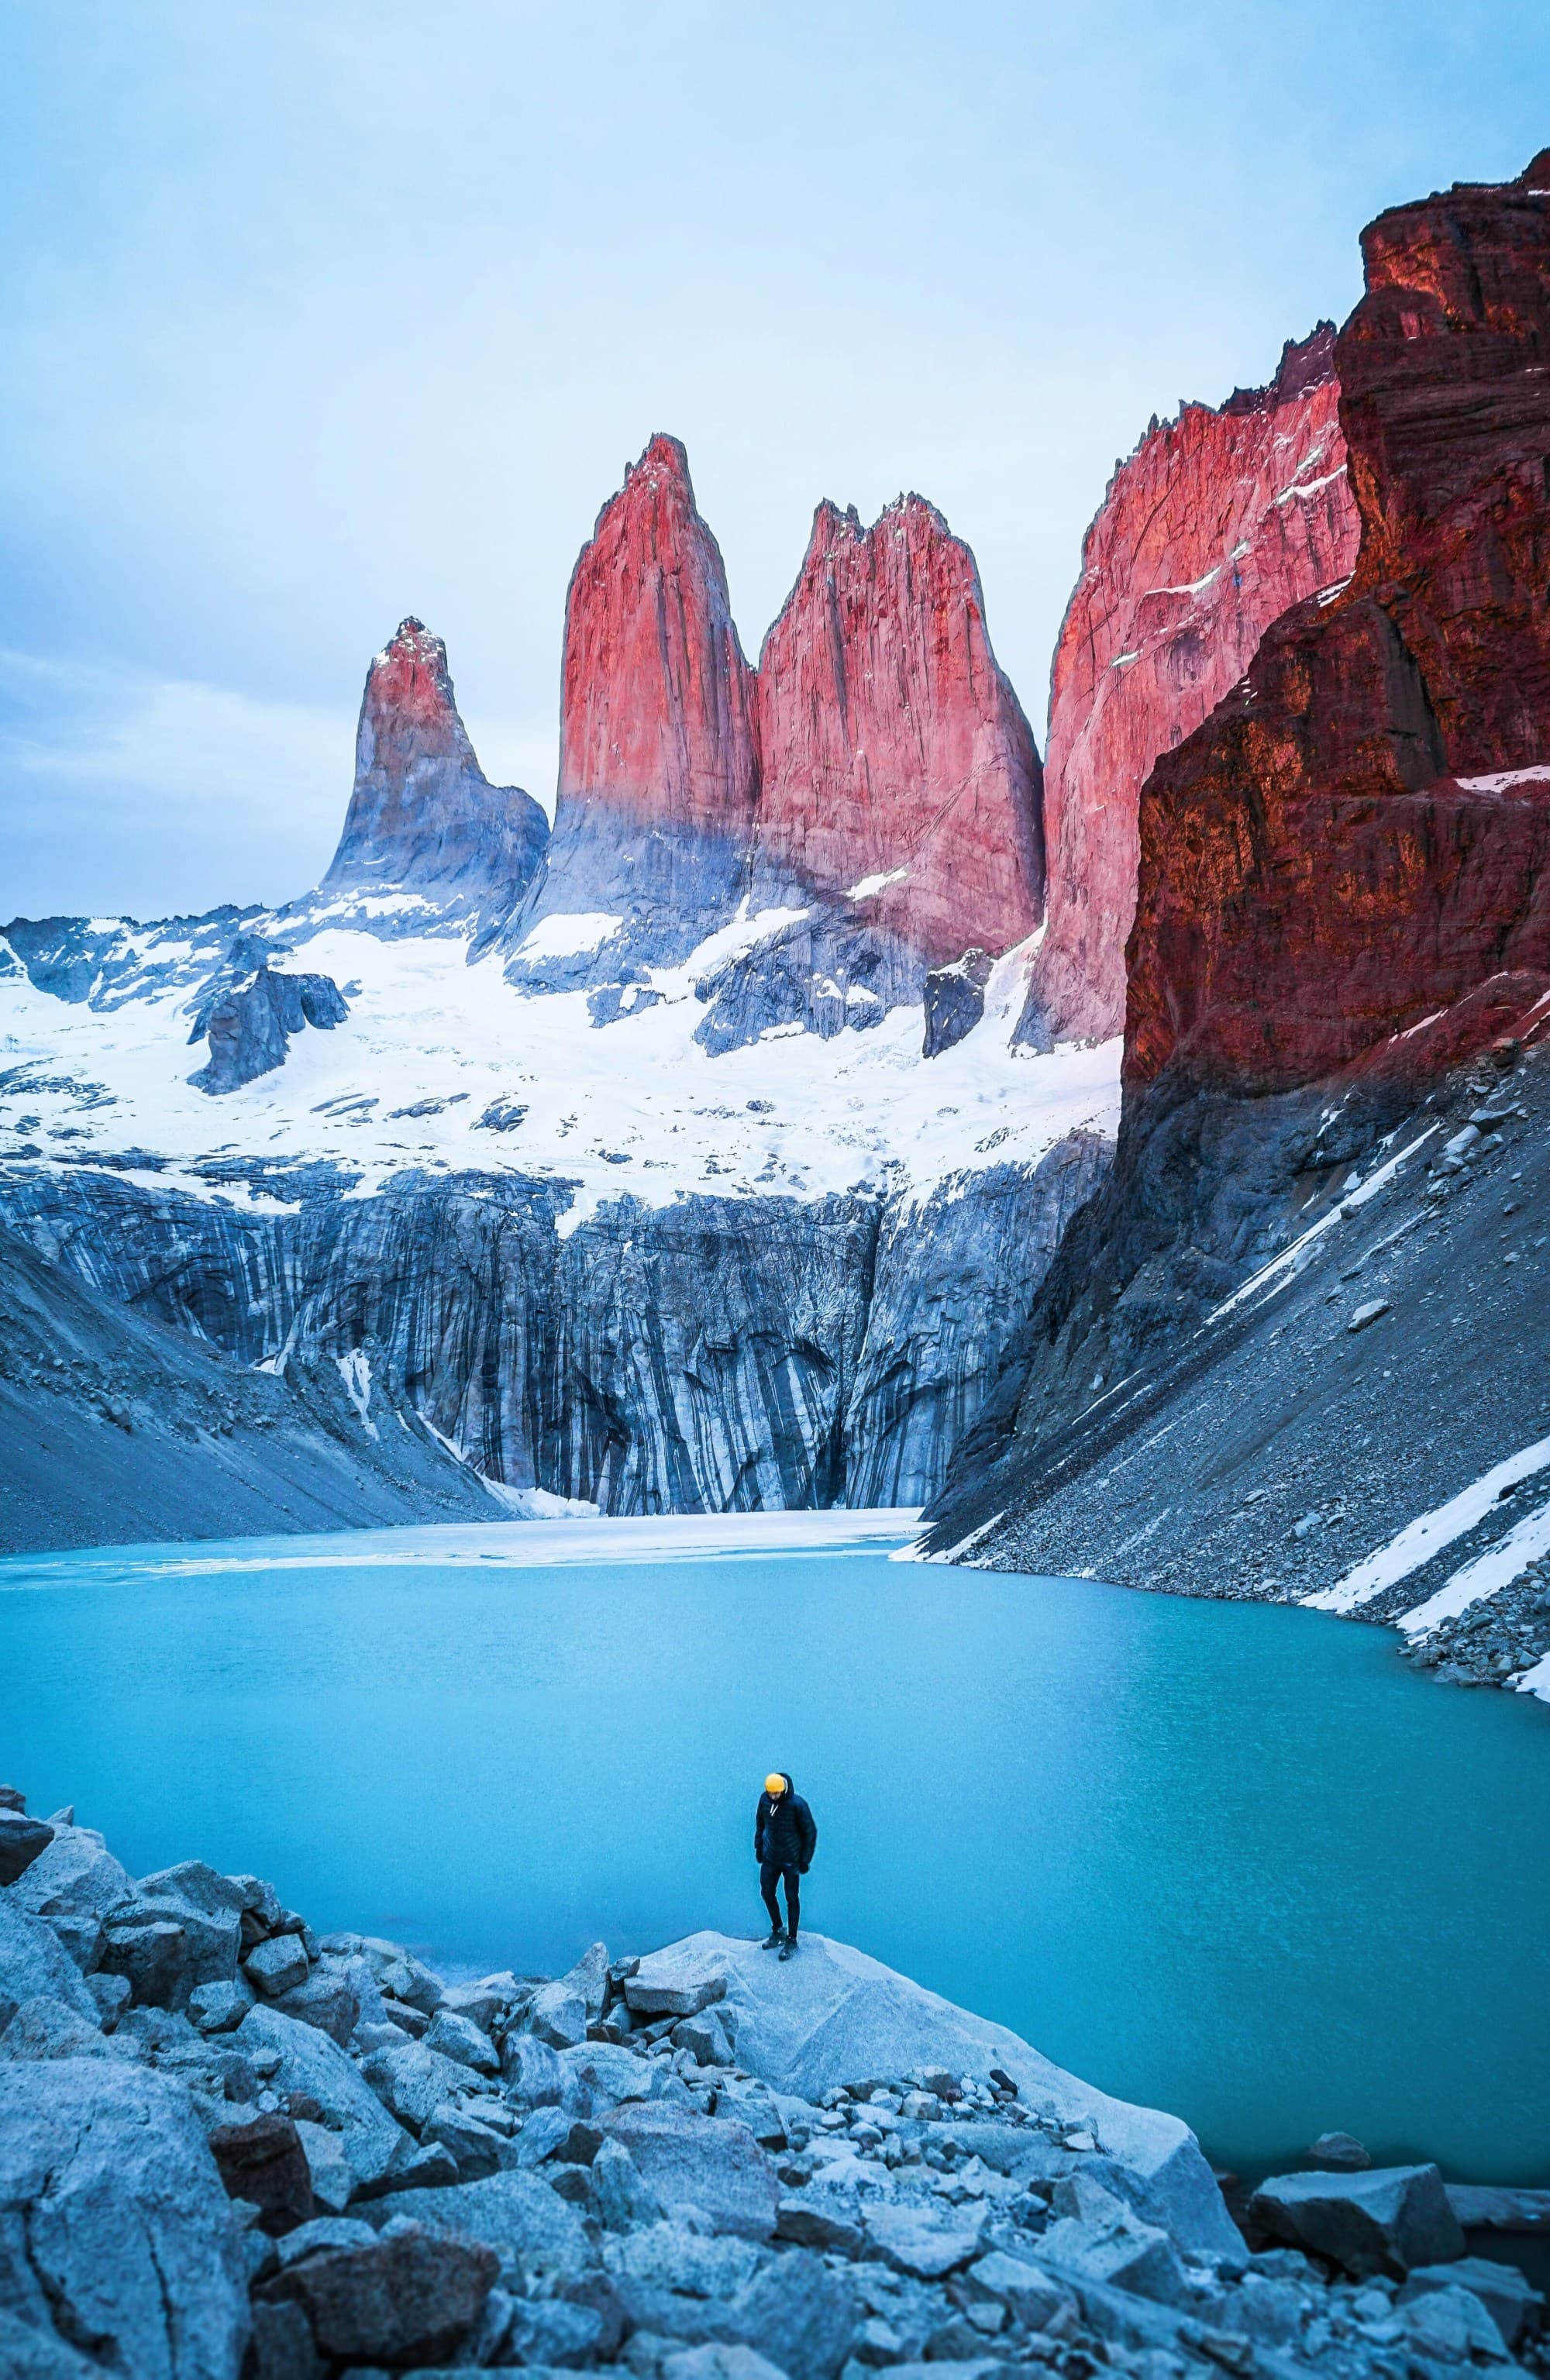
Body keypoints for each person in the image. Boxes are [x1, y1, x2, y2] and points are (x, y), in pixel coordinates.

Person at [754, 1770, 816, 1961]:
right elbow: (760, 1824)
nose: (773, 1797)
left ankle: (792, 1940)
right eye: (770, 1793)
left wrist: (804, 1860)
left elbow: (810, 1832)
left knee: (791, 1898)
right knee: (766, 1893)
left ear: (783, 1790)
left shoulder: (798, 1805)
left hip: (791, 1860)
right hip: (770, 1858)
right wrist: (758, 1847)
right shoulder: (765, 1801)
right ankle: (778, 1930)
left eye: (776, 1794)